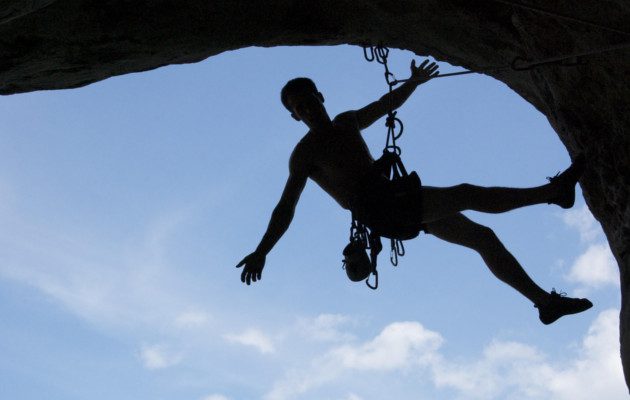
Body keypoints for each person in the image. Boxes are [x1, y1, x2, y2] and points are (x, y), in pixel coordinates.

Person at [235, 59, 592, 325]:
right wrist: (262, 251)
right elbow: (286, 207)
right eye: (299, 107)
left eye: (309, 100)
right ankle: (553, 192)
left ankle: (545, 303)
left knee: (483, 238)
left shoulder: (346, 122)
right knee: (466, 193)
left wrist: (414, 83)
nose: (307, 108)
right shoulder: (305, 154)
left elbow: (384, 105)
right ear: (295, 116)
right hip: (381, 208)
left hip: (395, 200)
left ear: (320, 96)